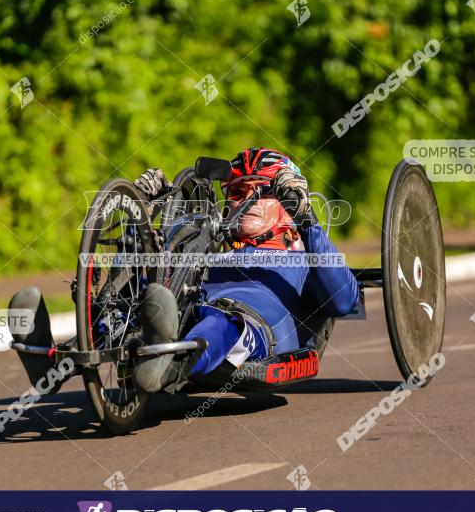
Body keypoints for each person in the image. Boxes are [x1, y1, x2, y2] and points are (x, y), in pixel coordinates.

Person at [132, 148, 360, 392]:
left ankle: (170, 365)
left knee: (219, 321)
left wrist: (306, 219)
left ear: (288, 208)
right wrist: (143, 212)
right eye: (238, 192)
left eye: (267, 192)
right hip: (186, 312)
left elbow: (343, 301)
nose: (248, 199)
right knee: (142, 299)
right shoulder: (206, 255)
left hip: (249, 327)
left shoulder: (304, 261)